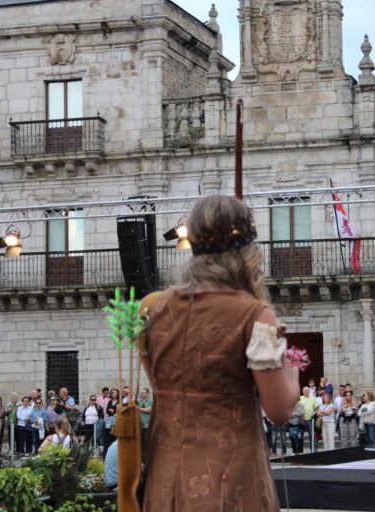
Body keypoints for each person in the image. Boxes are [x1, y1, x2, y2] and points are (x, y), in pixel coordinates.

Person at [141, 195, 299, 511]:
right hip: (232, 483)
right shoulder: (257, 316)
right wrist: (292, 370)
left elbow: (159, 387)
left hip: (167, 482)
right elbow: (280, 409)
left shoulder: (152, 309)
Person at [298, 386, 317, 453]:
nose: (306, 391)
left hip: (310, 420)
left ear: (309, 391)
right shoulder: (299, 398)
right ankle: (299, 451)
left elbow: (317, 408)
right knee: (300, 435)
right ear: (302, 391)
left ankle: (313, 449)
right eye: (304, 390)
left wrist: (316, 413)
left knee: (312, 435)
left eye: (307, 390)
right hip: (301, 420)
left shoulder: (313, 399)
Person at [102, 388, 120, 456]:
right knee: (108, 436)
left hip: (116, 420)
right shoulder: (109, 401)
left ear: (118, 394)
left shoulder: (119, 402)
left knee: (115, 436)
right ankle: (106, 453)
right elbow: (107, 411)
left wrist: (113, 411)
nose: (114, 394)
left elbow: (119, 411)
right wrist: (114, 410)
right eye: (113, 393)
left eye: (115, 393)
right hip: (109, 420)